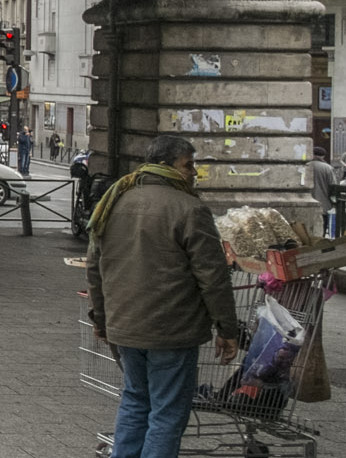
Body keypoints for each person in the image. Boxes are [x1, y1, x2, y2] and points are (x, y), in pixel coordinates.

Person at [86, 135, 239, 458]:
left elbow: (95, 267)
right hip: (172, 329)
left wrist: (100, 318)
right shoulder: (190, 209)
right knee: (167, 412)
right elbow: (213, 276)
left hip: (125, 326)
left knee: (135, 400)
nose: (194, 172)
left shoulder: (115, 202)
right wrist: (227, 329)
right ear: (167, 166)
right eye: (189, 164)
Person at [309, 148, 338, 237]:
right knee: (322, 229)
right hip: (323, 204)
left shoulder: (306, 166)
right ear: (323, 156)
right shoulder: (328, 168)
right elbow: (333, 186)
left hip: (307, 203)